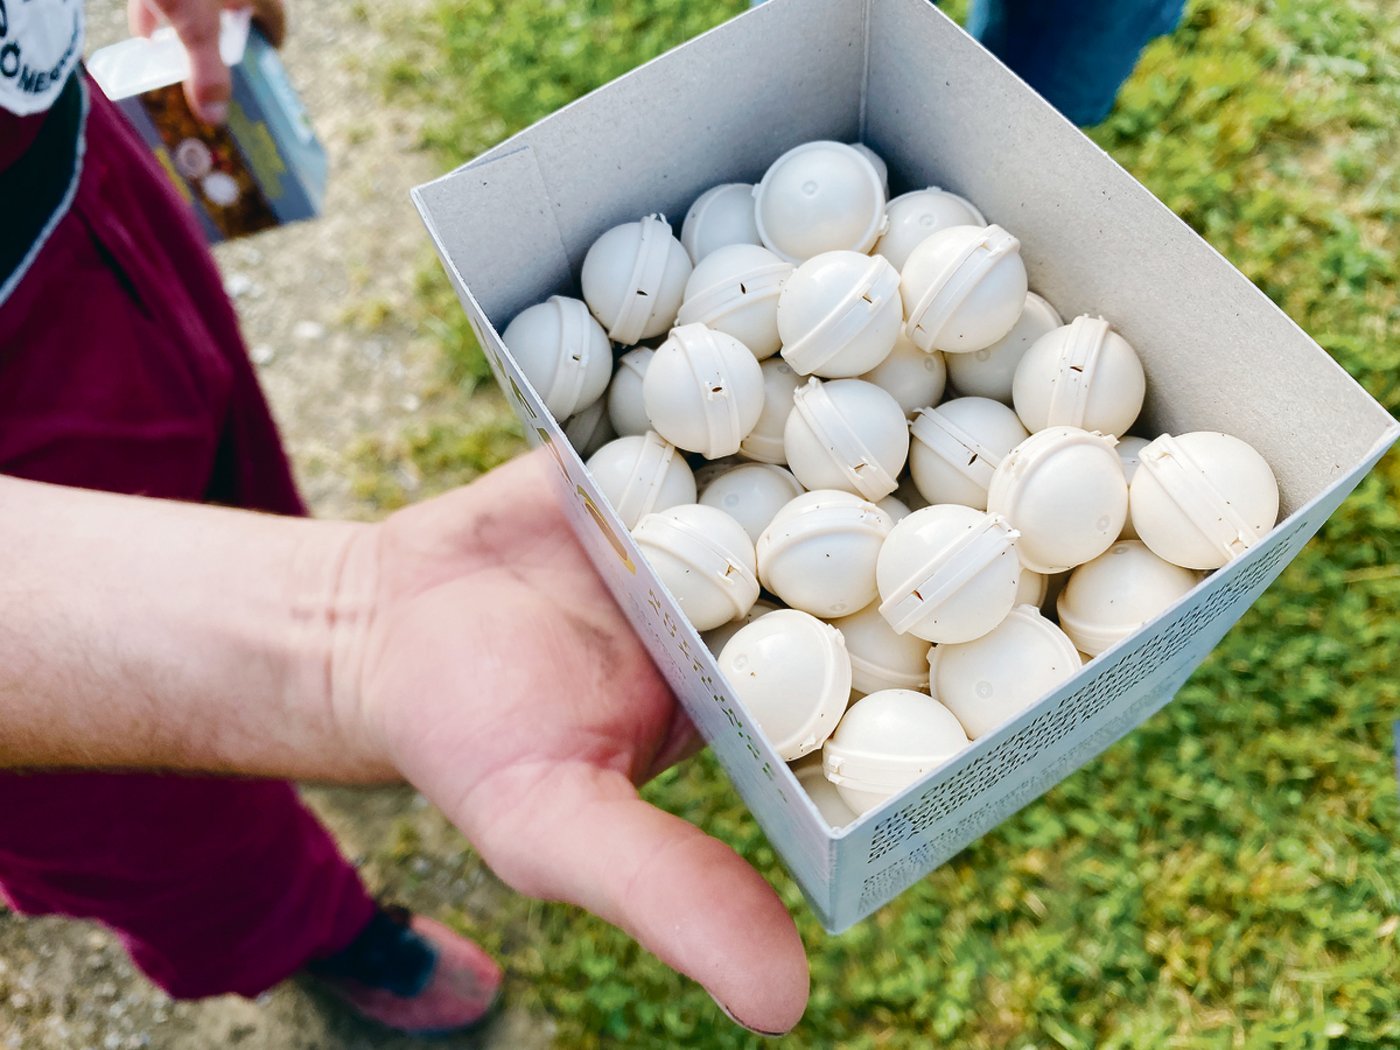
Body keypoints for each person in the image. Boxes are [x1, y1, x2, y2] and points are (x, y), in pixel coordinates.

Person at [0, 0, 807, 1038]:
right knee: (124, 802)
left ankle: (310, 716)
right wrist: (348, 640)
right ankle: (312, 931)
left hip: (68, 185)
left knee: (237, 492)